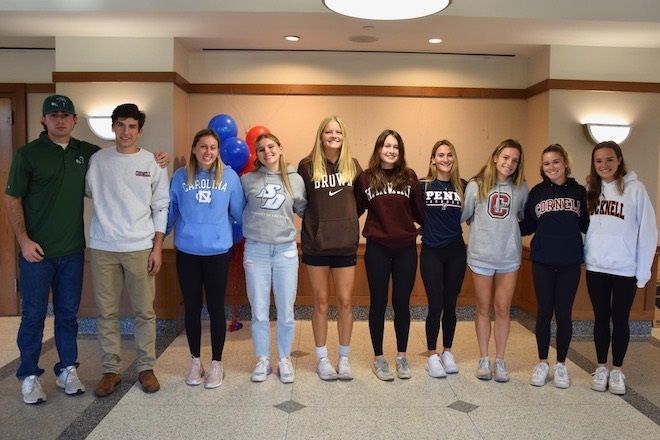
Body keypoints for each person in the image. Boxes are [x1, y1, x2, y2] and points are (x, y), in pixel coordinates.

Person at [4, 95, 95, 404]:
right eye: (53, 115)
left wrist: (156, 159)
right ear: (43, 120)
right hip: (37, 254)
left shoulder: (85, 152)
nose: (60, 120)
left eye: (65, 115)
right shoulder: (28, 154)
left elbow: (119, 159)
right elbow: (12, 198)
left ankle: (67, 369)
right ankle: (29, 375)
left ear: (74, 120)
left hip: (72, 252)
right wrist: (23, 241)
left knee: (68, 314)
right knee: (33, 315)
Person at [85, 103, 170, 396]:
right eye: (120, 125)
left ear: (140, 131)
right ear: (113, 127)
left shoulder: (153, 163)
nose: (126, 131)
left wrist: (157, 248)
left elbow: (161, 207)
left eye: (132, 126)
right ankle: (111, 370)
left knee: (144, 312)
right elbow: (88, 191)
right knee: (106, 313)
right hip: (103, 246)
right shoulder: (98, 161)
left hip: (140, 247)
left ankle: (146, 367)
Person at [166, 128, 244, 389]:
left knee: (215, 307)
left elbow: (239, 214)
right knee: (191, 307)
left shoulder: (229, 177)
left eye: (213, 147)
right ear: (194, 149)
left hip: (218, 253)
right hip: (187, 252)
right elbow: (170, 212)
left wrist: (221, 229)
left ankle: (216, 364)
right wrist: (154, 241)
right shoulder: (180, 176)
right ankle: (195, 362)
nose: (208, 152)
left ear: (218, 150)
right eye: (203, 146)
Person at [584, 141, 657, 395]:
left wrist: (643, 271)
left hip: (625, 268)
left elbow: (648, 231)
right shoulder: (591, 190)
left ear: (619, 160)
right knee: (600, 318)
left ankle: (617, 370)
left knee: (620, 319)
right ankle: (601, 367)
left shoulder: (636, 189)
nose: (604, 165)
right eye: (598, 161)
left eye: (609, 159)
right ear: (593, 164)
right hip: (596, 266)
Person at [355, 129, 423, 381]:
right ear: (378, 149)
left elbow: (420, 212)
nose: (391, 150)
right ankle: (379, 358)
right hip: (377, 248)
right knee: (378, 303)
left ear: (400, 151)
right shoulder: (366, 178)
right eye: (386, 146)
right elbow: (354, 209)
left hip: (406, 249)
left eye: (395, 146)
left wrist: (424, 229)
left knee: (402, 304)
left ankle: (402, 357)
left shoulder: (409, 177)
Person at [298, 116, 361, 381]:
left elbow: (358, 204)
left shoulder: (353, 166)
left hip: (345, 244)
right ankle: (322, 359)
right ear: (321, 135)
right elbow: (300, 203)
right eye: (328, 131)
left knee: (345, 302)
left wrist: (345, 224)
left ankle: (344, 359)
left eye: (338, 132)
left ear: (343, 136)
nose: (334, 136)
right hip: (316, 244)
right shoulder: (306, 166)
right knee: (321, 302)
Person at [520, 144, 589, 388]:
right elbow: (528, 225)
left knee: (564, 313)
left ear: (565, 163)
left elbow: (587, 225)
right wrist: (503, 223)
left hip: (570, 261)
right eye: (547, 163)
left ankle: (561, 365)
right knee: (544, 312)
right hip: (542, 261)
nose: (551, 167)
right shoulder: (537, 192)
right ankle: (542, 363)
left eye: (556, 162)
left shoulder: (579, 191)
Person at [241, 133, 307, 384]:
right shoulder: (247, 180)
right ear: (256, 154)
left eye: (271, 146)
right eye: (261, 149)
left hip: (285, 251)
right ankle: (262, 359)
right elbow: (238, 210)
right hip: (256, 250)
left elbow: (304, 210)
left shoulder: (295, 179)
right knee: (258, 310)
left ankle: (284, 358)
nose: (267, 152)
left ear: (280, 147)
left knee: (286, 310)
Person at [461, 139, 528, 382]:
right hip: (481, 256)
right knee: (483, 307)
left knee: (502, 308)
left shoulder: (521, 188)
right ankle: (483, 358)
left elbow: (522, 216)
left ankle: (500, 360)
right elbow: (465, 215)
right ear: (495, 157)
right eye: (506, 157)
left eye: (515, 160)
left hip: (508, 257)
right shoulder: (476, 185)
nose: (509, 163)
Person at [419, 140, 467, 378]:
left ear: (454, 158)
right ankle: (431, 355)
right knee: (435, 304)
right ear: (433, 159)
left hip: (456, 251)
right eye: (440, 155)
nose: (445, 159)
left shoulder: (463, 186)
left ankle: (447, 351)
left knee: (450, 304)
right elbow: (412, 212)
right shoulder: (423, 185)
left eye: (449, 155)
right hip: (431, 252)